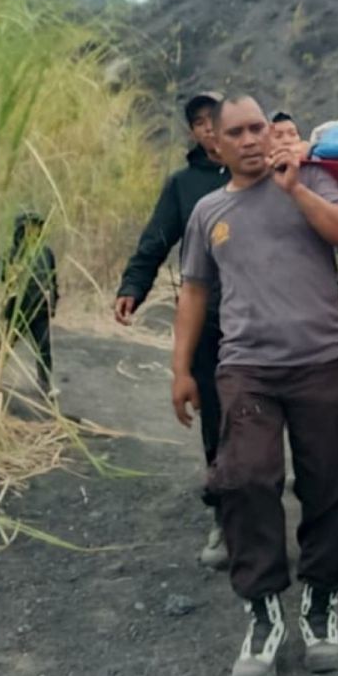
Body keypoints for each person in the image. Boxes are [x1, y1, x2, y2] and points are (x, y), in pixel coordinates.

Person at [172, 95, 338, 676]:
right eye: (236, 132)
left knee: (331, 484)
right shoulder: (209, 210)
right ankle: (262, 611)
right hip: (246, 367)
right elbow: (194, 293)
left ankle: (320, 603)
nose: (251, 139)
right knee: (245, 479)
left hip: (320, 361)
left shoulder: (312, 179)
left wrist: (297, 190)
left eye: (258, 127)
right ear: (217, 144)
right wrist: (181, 369)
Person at [114, 91, 231, 569]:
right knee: (216, 415)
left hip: (266, 316)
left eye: (215, 119)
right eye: (199, 122)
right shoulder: (185, 185)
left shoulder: (264, 172)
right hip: (208, 317)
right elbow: (157, 237)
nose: (208, 129)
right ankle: (226, 514)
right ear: (193, 132)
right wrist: (133, 285)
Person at [0, 210, 59, 400]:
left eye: (37, 227)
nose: (34, 231)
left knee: (44, 348)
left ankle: (45, 384)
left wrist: (54, 301)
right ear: (21, 230)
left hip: (40, 308)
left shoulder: (46, 252)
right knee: (6, 344)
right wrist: (9, 272)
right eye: (30, 227)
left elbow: (52, 279)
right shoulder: (12, 253)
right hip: (17, 308)